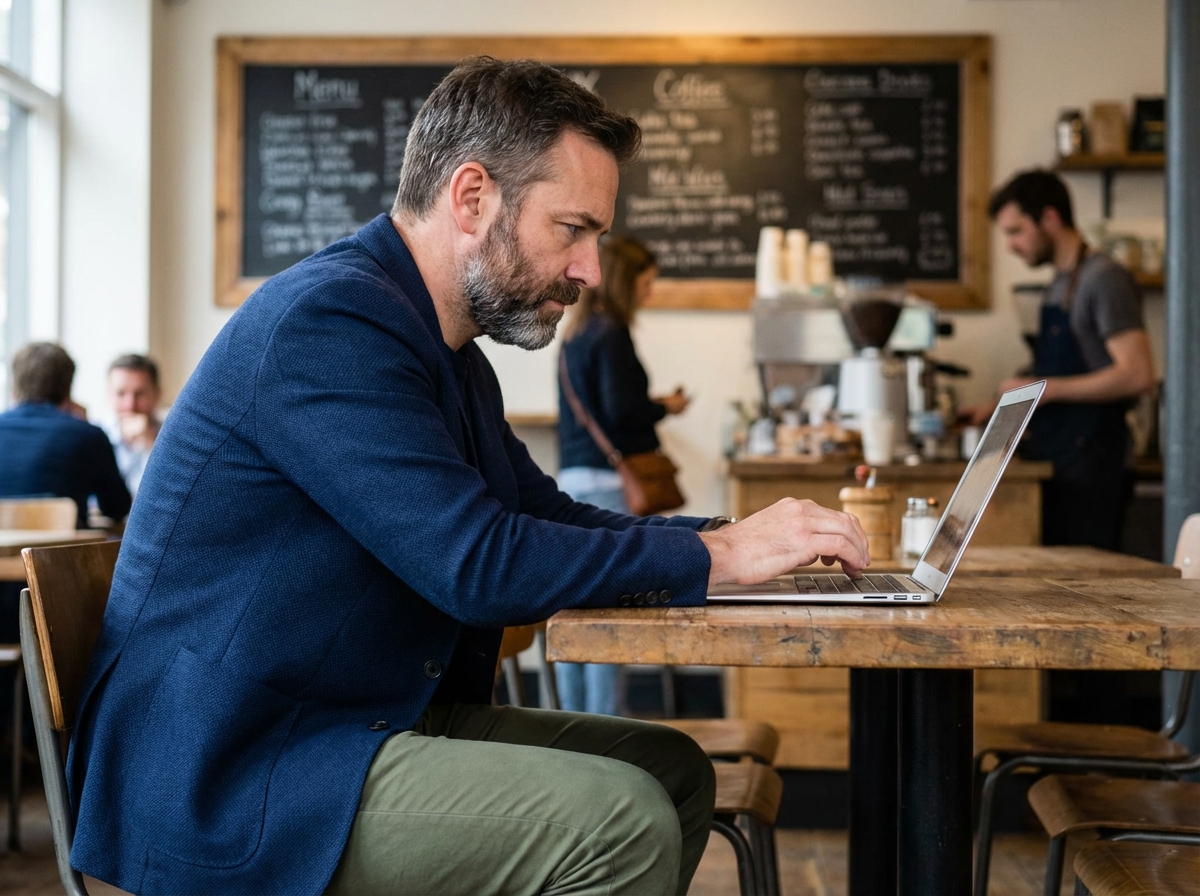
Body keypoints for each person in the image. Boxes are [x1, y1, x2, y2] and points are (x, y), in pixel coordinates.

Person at [68, 58, 869, 896]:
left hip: (347, 721)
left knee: (671, 771)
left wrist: (731, 541)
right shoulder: (330, 324)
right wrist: (721, 558)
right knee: (621, 819)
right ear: (473, 197)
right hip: (234, 768)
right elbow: (478, 564)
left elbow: (545, 516)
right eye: (573, 229)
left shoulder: (447, 354)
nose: (591, 270)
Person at [961, 170, 1154, 550]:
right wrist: (997, 404)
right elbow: (1052, 370)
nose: (1010, 245)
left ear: (1049, 218)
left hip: (1094, 464)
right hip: (1061, 460)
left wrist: (1043, 389)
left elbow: (1137, 374)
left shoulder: (1104, 279)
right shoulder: (1060, 283)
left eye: (1016, 231)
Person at [556, 235, 688, 716]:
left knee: (573, 609)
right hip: (609, 485)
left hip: (573, 478)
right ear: (625, 281)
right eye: (645, 283)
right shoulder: (612, 333)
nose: (648, 292)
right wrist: (664, 407)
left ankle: (569, 724)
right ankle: (606, 727)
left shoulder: (575, 333)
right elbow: (621, 411)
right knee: (610, 614)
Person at [0, 342, 131, 528]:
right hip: (61, 547)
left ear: (14, 388)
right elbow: (117, 508)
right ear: (68, 388)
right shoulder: (88, 436)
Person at [102, 353, 163, 497]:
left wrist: (150, 444)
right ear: (109, 395)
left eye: (139, 394)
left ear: (157, 394)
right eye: (121, 394)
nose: (130, 405)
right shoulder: (96, 435)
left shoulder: (174, 435)